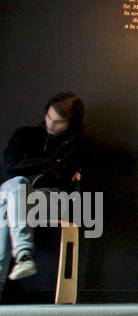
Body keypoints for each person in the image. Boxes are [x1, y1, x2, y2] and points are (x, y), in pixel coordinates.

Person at [1, 93, 88, 281]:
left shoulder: (77, 143)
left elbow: (60, 175)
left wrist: (30, 163)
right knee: (16, 186)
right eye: (48, 117)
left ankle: (23, 255)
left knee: (6, 206)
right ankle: (24, 257)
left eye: (58, 122)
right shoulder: (24, 134)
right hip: (16, 194)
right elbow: (10, 166)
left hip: (52, 197)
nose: (50, 125)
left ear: (70, 123)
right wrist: (51, 160)